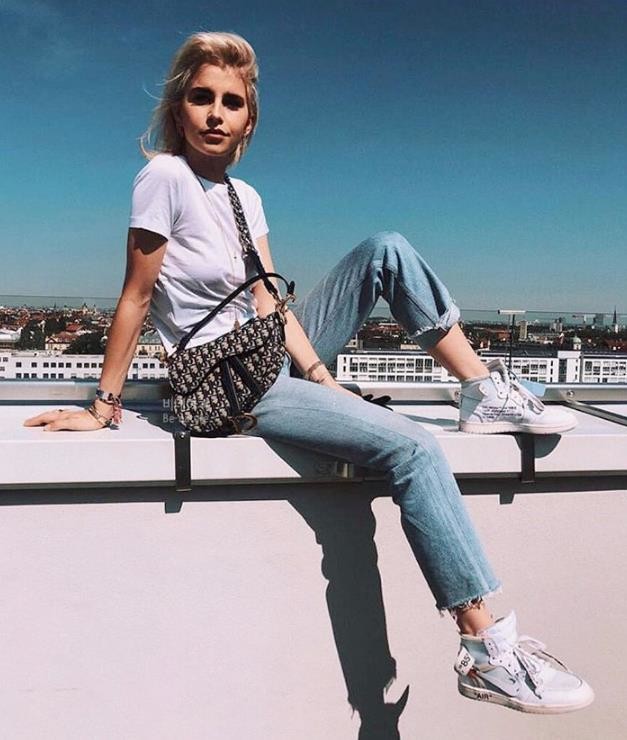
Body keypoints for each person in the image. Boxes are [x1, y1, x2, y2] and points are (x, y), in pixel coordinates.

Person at [23, 31, 593, 715]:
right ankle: (486, 649)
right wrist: (104, 405)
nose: (215, 113)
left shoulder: (244, 196)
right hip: (226, 381)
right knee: (412, 448)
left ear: (248, 121)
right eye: (201, 97)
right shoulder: (164, 178)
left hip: (265, 352)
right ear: (178, 108)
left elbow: (269, 301)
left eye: (231, 102)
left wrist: (321, 381)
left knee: (385, 248)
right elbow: (137, 296)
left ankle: (479, 390)